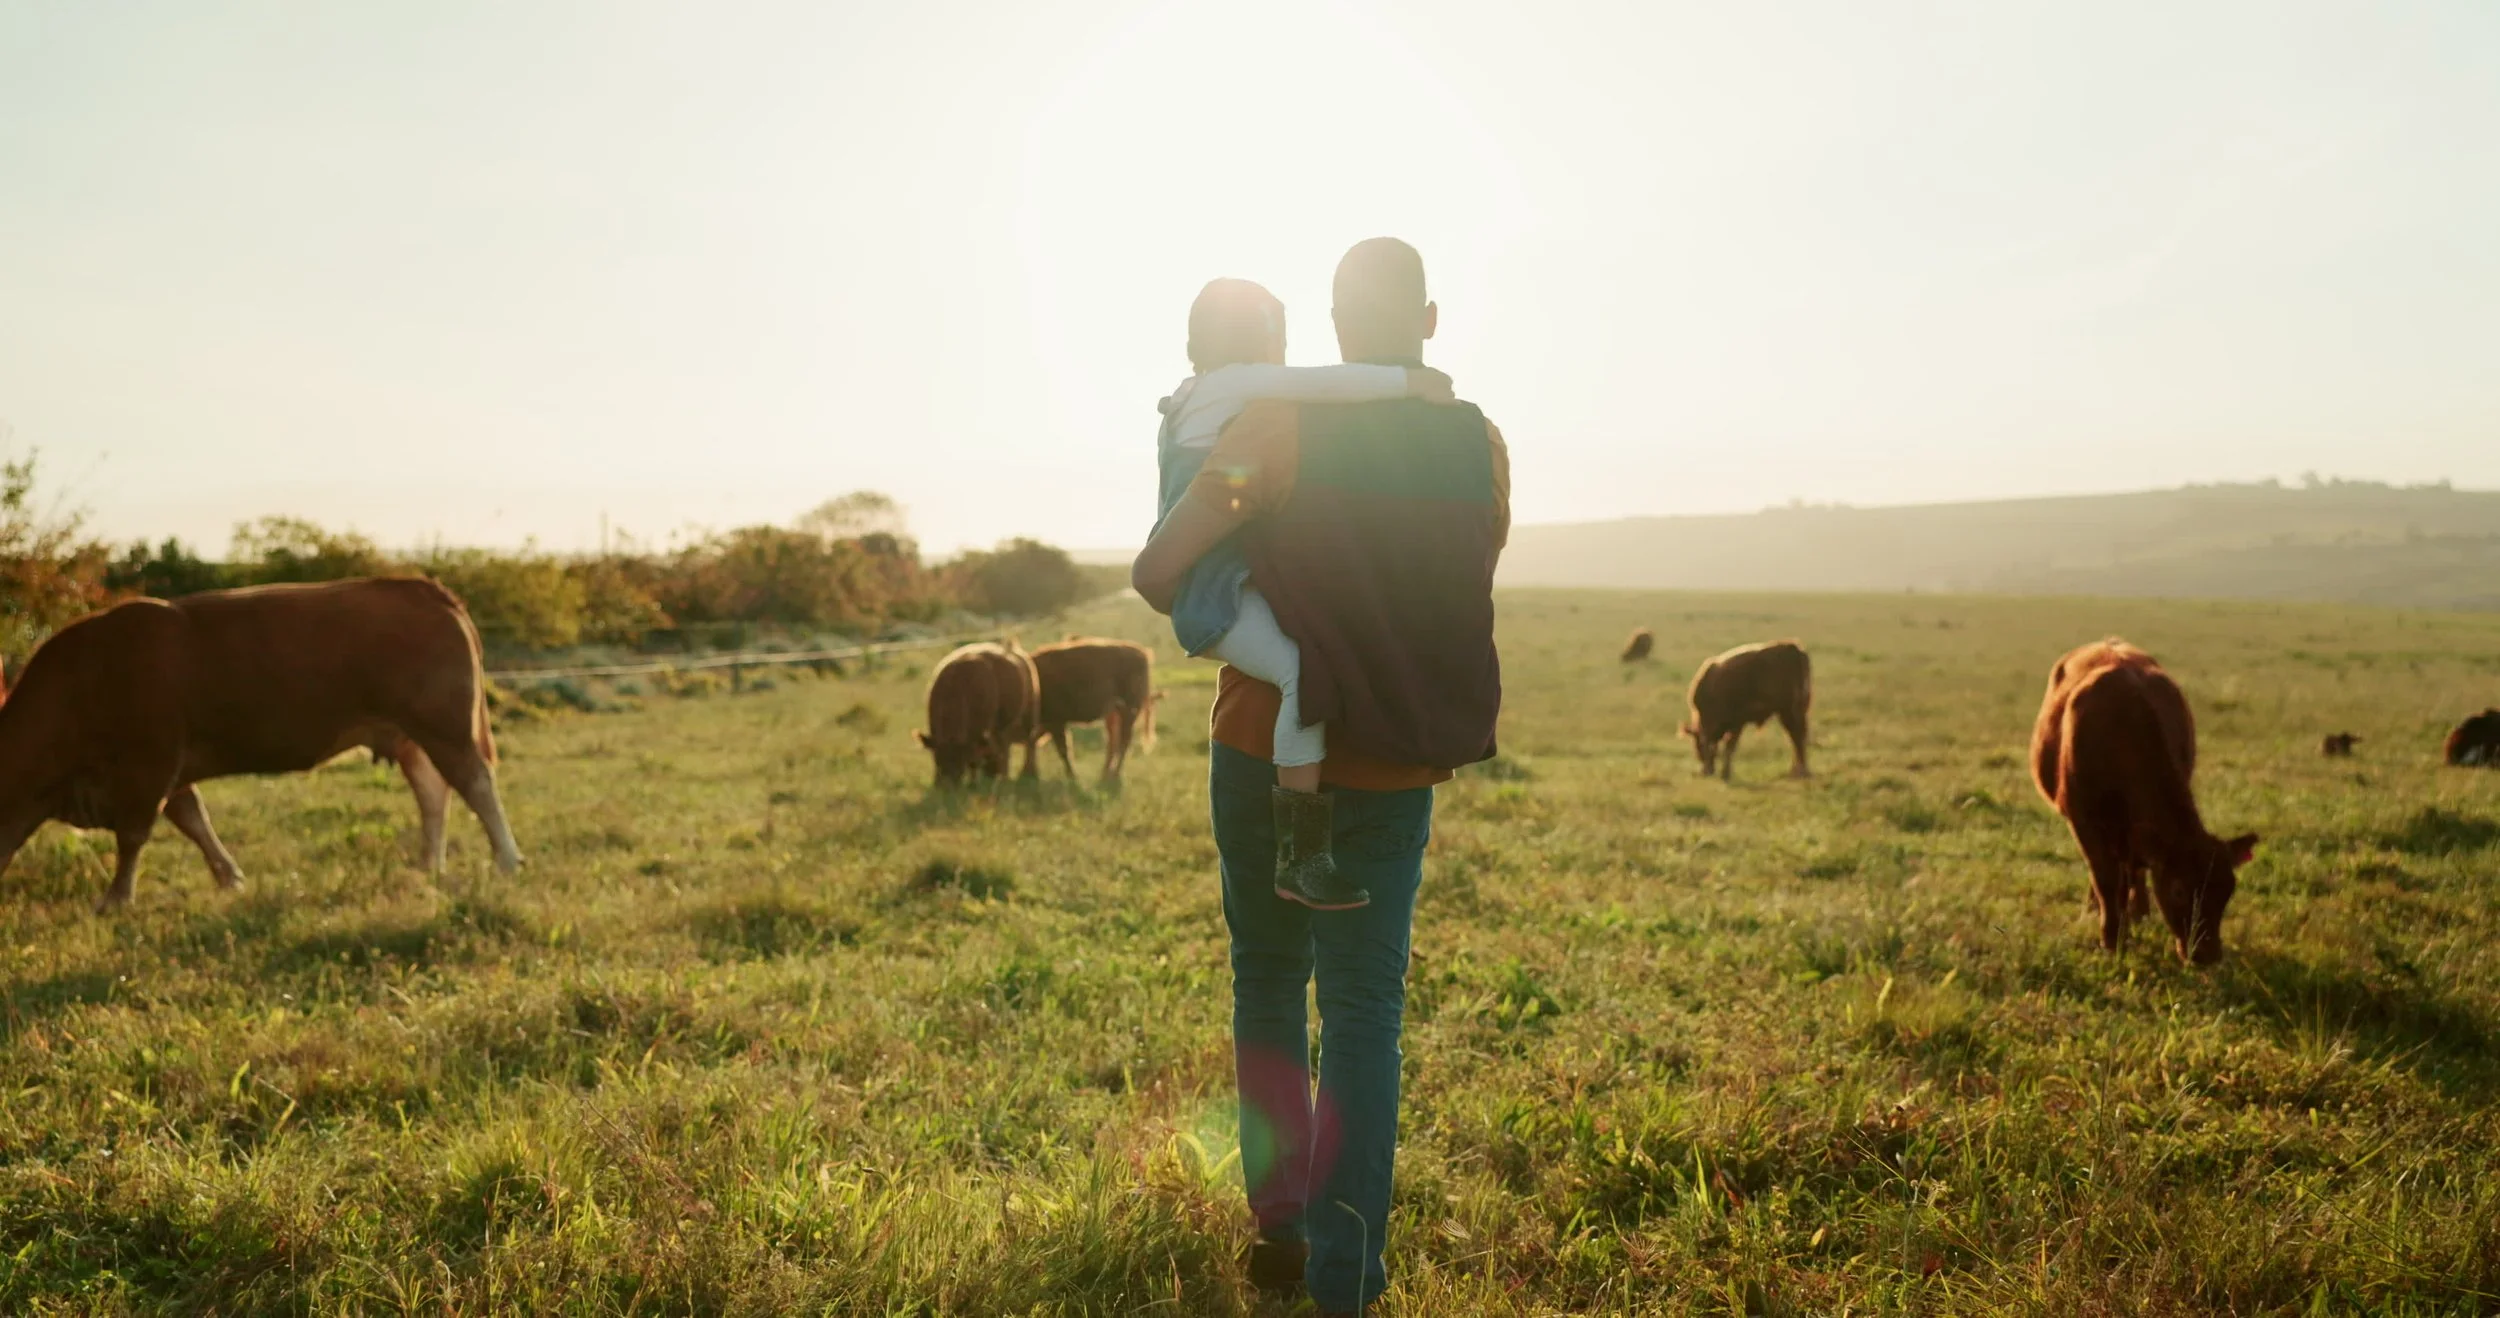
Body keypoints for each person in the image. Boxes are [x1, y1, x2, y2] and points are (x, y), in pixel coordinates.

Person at [1133, 237, 1509, 1316]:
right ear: (1426, 321)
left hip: (1261, 745)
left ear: (1330, 333)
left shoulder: (1277, 424)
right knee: (1362, 1016)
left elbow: (1161, 571)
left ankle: (1278, 1233)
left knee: (1265, 979)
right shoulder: (1477, 443)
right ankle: (1347, 1286)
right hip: (1395, 757)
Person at [1152, 277, 1452, 910]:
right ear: (1259, 342)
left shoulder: (1191, 395)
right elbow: (1330, 385)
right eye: (1280, 338)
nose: (1286, 355)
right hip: (1216, 589)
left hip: (1223, 580)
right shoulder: (1237, 385)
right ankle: (1302, 855)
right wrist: (1410, 385)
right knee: (1301, 670)